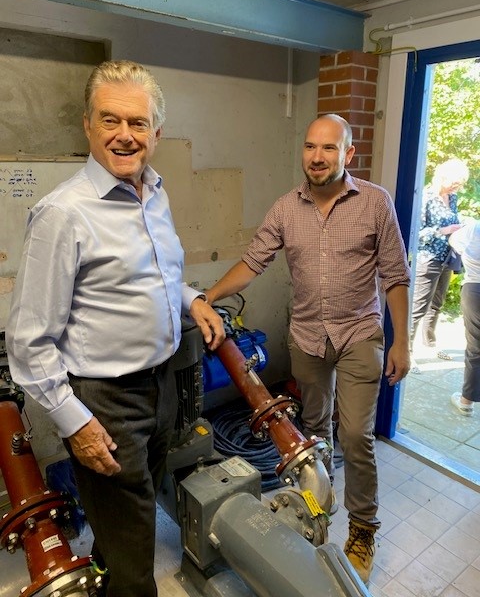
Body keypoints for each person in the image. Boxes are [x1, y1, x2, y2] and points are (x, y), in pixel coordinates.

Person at [6, 60, 225, 597]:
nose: (125, 135)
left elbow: (156, 272)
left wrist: (192, 298)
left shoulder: (154, 191)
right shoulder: (63, 214)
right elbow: (28, 341)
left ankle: (104, 580)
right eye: (110, 121)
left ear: (157, 132)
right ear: (87, 125)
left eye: (138, 123)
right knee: (135, 563)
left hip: (162, 384)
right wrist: (75, 423)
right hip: (107, 402)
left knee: (127, 524)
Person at [205, 113, 411, 583]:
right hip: (307, 337)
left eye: (329, 148)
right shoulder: (285, 208)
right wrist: (207, 297)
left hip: (360, 333)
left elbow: (396, 276)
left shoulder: (375, 203)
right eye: (310, 147)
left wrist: (403, 342)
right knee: (312, 434)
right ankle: (317, 504)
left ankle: (363, 528)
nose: (317, 157)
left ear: (348, 154)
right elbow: (254, 260)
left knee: (356, 436)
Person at [410, 159, 469, 360]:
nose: (457, 187)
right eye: (454, 183)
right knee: (418, 307)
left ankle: (429, 345)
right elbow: (415, 233)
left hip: (447, 258)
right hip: (428, 259)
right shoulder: (425, 197)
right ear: (443, 177)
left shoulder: (452, 198)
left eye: (459, 184)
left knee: (437, 304)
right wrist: (442, 231)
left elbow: (454, 221)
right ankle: (406, 352)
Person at [448, 219, 480, 416]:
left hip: (475, 289)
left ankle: (466, 402)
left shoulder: (473, 229)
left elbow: (453, 241)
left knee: (476, 346)